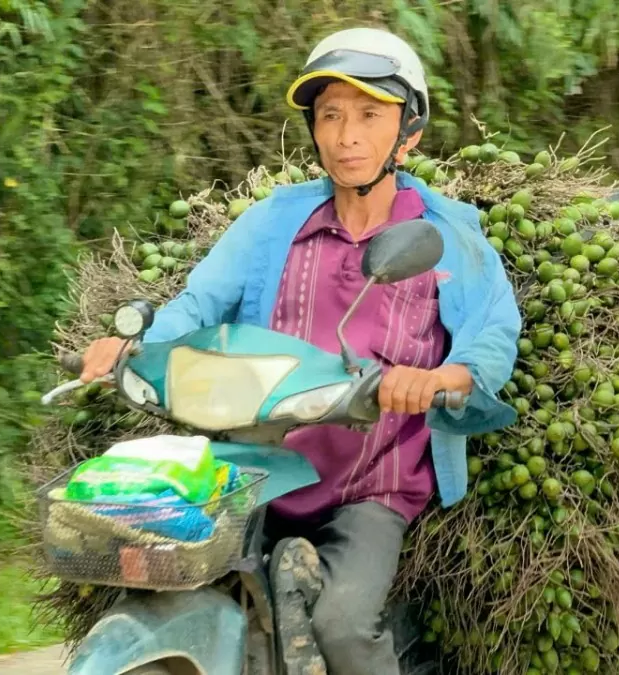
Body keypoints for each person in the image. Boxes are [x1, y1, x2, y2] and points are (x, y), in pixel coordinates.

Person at [77, 27, 521, 675]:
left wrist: (442, 377)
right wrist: (132, 345)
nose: (347, 136)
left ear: (410, 131)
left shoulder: (446, 233)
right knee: (161, 569)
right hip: (261, 464)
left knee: (341, 625)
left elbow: (493, 330)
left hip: (372, 484)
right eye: (331, 115)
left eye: (369, 116)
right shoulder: (273, 222)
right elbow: (200, 303)